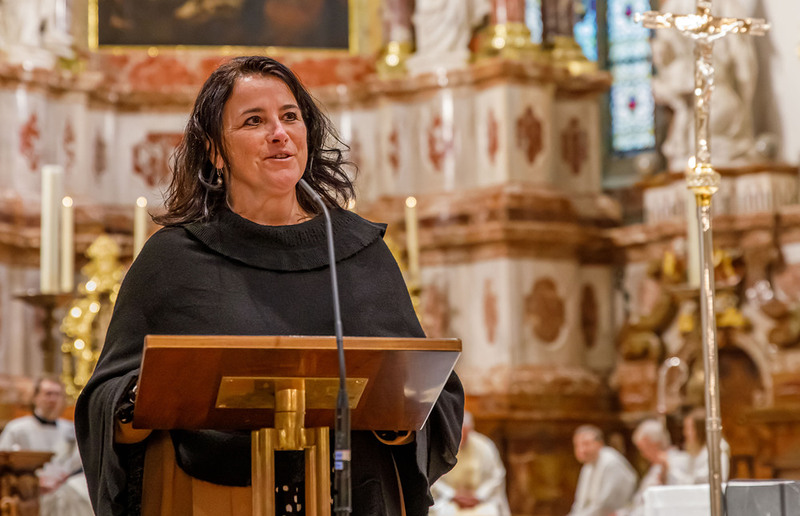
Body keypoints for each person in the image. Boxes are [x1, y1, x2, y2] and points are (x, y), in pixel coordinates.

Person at [74, 55, 464, 516]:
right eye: (254, 121)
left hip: (353, 495)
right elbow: (105, 398)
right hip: (210, 496)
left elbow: (433, 394)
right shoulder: (173, 260)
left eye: (290, 117)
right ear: (215, 149)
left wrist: (397, 414)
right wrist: (146, 399)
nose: (279, 132)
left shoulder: (360, 252)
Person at [0, 376, 93, 516]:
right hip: (32, 487)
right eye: (48, 394)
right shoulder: (17, 428)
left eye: (57, 394)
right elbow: (5, 462)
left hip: (65, 482)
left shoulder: (71, 429)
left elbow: (79, 461)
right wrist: (37, 481)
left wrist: (63, 476)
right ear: (35, 397)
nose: (53, 399)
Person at [431, 411, 511, 516]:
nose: (461, 437)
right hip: (449, 501)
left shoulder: (484, 446)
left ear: (470, 429)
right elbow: (433, 478)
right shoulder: (441, 445)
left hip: (479, 501)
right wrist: (452, 495)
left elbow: (496, 476)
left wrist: (478, 496)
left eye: (464, 432)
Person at [617, 419, 684, 516]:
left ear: (655, 444)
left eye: (644, 449)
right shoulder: (656, 466)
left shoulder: (678, 461)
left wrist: (666, 471)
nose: (643, 455)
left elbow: (677, 496)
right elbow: (639, 502)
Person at [568, 425, 637, 516]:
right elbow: (580, 504)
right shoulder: (588, 466)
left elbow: (605, 507)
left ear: (599, 443)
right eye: (577, 445)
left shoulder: (611, 463)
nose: (581, 450)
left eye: (586, 444)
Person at [668, 407, 731, 485]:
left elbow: (700, 482)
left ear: (700, 430)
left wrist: (672, 471)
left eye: (688, 429)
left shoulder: (716, 452)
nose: (685, 433)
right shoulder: (697, 451)